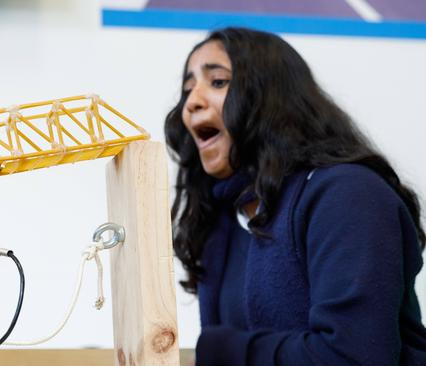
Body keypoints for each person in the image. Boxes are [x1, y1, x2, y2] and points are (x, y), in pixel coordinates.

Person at [164, 27, 426, 365]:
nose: (191, 103)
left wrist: (222, 349)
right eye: (188, 90)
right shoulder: (221, 225)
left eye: (218, 82)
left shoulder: (349, 195)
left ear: (273, 98)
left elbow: (354, 358)